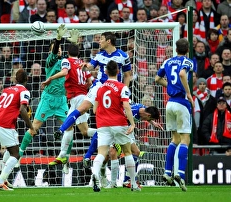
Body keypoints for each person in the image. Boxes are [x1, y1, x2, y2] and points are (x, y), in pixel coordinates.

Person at [53, 31, 132, 143]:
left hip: (115, 88)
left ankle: (122, 143)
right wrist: (85, 67)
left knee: (119, 116)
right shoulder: (99, 55)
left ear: (108, 41)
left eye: (101, 39)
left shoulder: (123, 56)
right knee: (82, 108)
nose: (99, 41)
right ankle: (61, 130)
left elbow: (128, 75)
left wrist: (124, 91)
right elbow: (89, 67)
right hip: (99, 86)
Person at [0, 68, 36, 191]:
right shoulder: (24, 91)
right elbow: (22, 110)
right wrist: (31, 127)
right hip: (5, 124)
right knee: (16, 154)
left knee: (11, 150)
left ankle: (3, 179)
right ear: (27, 79)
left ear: (15, 79)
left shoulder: (6, 90)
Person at [18, 24, 70, 157]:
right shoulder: (50, 61)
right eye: (55, 49)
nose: (58, 50)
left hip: (61, 100)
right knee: (34, 128)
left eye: (59, 48)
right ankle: (20, 152)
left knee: (70, 128)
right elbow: (54, 52)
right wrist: (58, 38)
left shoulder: (65, 61)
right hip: (48, 99)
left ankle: (65, 157)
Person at [83, 102, 161, 188]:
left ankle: (126, 180)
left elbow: (147, 114)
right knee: (109, 153)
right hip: (117, 129)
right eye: (149, 119)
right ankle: (102, 177)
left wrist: (153, 123)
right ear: (148, 115)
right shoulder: (132, 112)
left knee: (135, 152)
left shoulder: (143, 109)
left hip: (125, 131)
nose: (147, 120)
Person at [46, 30, 94, 169]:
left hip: (77, 98)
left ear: (67, 53)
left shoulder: (66, 61)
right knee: (83, 131)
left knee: (68, 126)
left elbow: (65, 72)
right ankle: (62, 156)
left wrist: (50, 78)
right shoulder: (83, 63)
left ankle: (62, 155)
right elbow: (90, 82)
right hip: (82, 97)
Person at [90, 60, 137, 192]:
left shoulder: (99, 88)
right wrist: (132, 123)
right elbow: (126, 106)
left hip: (103, 124)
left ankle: (95, 174)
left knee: (101, 153)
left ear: (105, 72)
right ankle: (133, 184)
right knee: (127, 152)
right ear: (118, 71)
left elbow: (94, 110)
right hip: (118, 123)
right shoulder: (123, 87)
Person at [155, 38, 194, 192]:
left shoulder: (167, 61)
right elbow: (183, 74)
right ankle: (180, 174)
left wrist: (169, 85)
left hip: (169, 104)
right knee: (185, 139)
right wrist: (189, 93)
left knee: (174, 139)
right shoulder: (188, 61)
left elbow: (157, 78)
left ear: (175, 49)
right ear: (188, 49)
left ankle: (167, 172)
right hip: (182, 103)